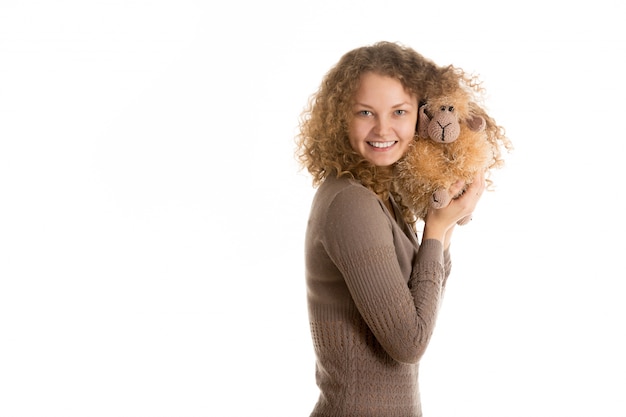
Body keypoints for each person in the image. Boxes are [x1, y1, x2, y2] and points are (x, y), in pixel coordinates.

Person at [295, 41, 507, 416]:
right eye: (365, 112)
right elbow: (409, 342)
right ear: (340, 117)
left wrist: (446, 224)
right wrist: (436, 231)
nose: (383, 128)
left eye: (399, 112)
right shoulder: (350, 201)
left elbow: (419, 307)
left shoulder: (382, 195)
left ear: (422, 117)